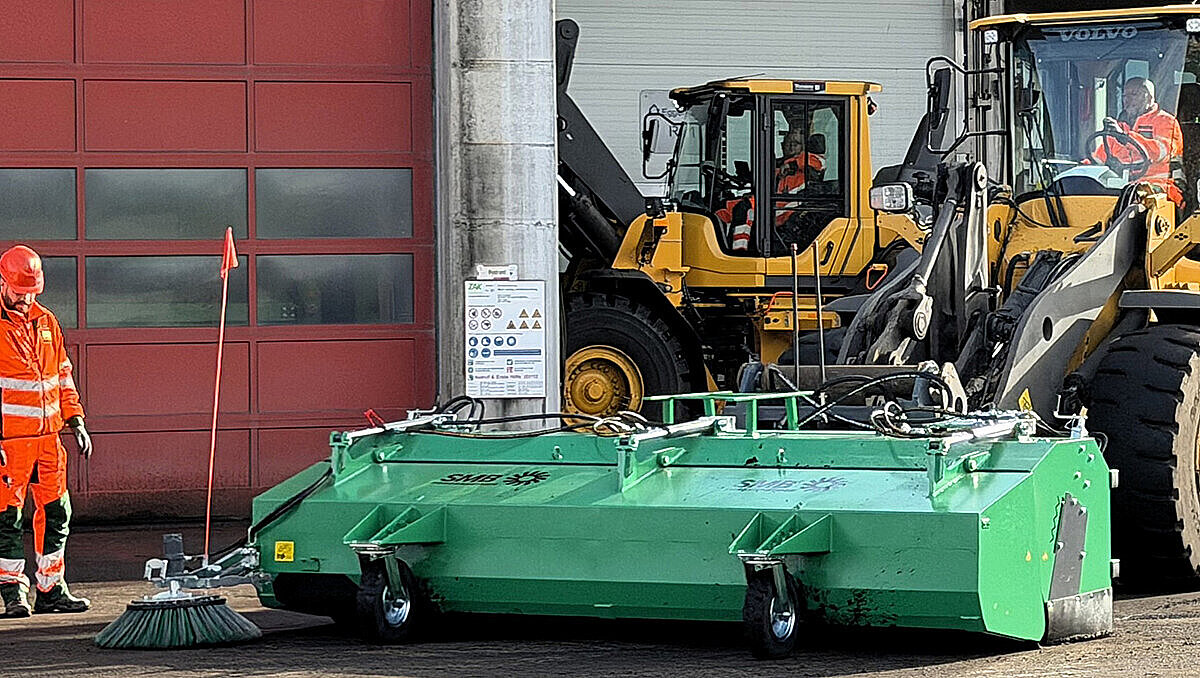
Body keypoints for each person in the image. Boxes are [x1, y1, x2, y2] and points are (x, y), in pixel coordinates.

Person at [0, 245, 92, 617]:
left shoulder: (47, 322)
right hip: (10, 444)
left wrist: (76, 419)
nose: (26, 298)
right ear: (2, 283)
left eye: (32, 292)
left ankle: (51, 589)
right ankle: (11, 592)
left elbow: (62, 376)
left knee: (56, 514)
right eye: (20, 292)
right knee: (8, 518)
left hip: (49, 441)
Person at [716, 127, 827, 252]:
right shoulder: (779, 167)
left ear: (803, 147)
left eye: (795, 144)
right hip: (773, 204)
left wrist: (792, 165)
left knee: (745, 209)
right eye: (788, 143)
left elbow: (819, 162)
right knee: (723, 207)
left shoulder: (806, 162)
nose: (790, 146)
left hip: (787, 208)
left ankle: (739, 251)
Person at [1094, 77, 1184, 205]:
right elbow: (1097, 160)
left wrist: (1125, 137)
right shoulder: (1120, 127)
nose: (1127, 100)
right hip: (1123, 189)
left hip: (1161, 190)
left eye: (1134, 94)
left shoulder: (1166, 122)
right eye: (1125, 95)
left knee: (1131, 199)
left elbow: (1158, 152)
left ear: (1150, 97)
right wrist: (1077, 169)